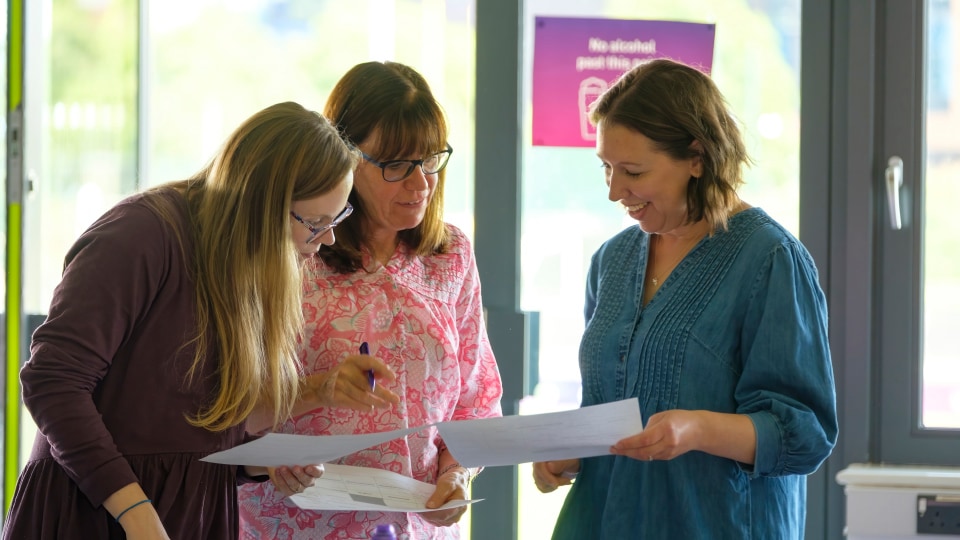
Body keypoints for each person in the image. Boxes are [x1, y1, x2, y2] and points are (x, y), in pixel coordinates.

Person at [1, 101, 391, 540]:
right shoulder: (140, 235)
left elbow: (190, 429)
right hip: (92, 515)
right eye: (315, 223)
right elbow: (53, 383)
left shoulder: (250, 264)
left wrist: (261, 460)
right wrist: (136, 512)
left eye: (337, 219)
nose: (327, 239)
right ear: (262, 204)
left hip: (186, 516)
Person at [531, 59, 838, 539]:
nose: (614, 191)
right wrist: (571, 452)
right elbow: (609, 405)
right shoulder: (611, 261)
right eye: (606, 169)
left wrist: (697, 429)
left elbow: (804, 434)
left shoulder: (770, 261)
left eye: (631, 171)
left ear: (697, 157)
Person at [238, 61, 504, 540]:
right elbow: (230, 404)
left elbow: (476, 401)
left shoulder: (451, 256)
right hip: (294, 525)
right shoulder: (293, 250)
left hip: (418, 526)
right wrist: (272, 455)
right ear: (344, 158)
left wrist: (456, 473)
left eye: (430, 160)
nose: (421, 183)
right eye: (396, 165)